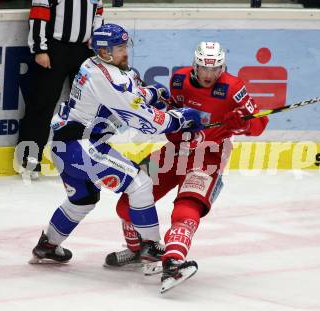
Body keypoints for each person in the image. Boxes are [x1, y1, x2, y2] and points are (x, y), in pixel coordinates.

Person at [29, 24, 204, 264]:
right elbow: (144, 121)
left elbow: (129, 93)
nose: (125, 52)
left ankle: (47, 245)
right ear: (103, 51)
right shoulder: (108, 77)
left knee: (82, 199)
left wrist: (151, 94)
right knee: (140, 183)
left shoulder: (95, 66)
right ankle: (150, 245)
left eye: (125, 46)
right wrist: (181, 119)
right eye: (119, 48)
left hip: (64, 147)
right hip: (82, 146)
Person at [104, 42, 269, 293]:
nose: (208, 75)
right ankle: (139, 250)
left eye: (215, 69)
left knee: (187, 207)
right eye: (204, 68)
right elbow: (172, 111)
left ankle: (173, 261)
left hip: (208, 156)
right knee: (128, 201)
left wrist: (242, 125)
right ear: (195, 64)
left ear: (222, 67)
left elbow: (259, 124)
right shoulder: (179, 80)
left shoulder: (234, 88)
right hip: (173, 152)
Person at [17, 0, 104, 179]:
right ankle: (28, 159)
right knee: (42, 104)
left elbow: (98, 16)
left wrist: (96, 44)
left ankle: (77, 159)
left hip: (83, 51)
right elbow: (38, 17)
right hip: (54, 49)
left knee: (83, 108)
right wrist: (39, 49)